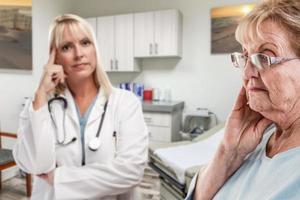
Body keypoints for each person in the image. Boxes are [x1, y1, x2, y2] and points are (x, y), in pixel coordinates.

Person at [13, 14, 148, 200]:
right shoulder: (41, 105)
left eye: (85, 43)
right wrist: (40, 96)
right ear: (55, 57)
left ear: (95, 49)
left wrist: (59, 178)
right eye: (67, 47)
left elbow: (131, 171)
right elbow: (35, 165)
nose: (79, 54)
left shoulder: (125, 103)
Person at [185, 0, 300, 199]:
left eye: (264, 57)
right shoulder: (260, 137)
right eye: (245, 57)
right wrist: (228, 152)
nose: (247, 73)